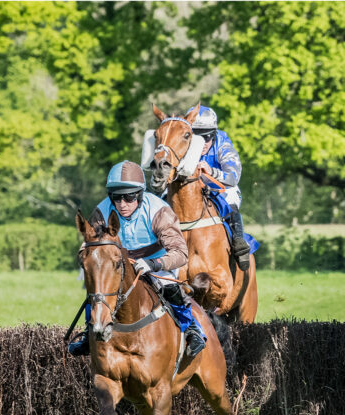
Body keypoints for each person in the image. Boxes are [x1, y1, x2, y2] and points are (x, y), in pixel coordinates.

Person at [68, 161, 206, 358]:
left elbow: (180, 253)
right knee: (99, 289)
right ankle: (89, 333)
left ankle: (192, 329)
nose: (122, 204)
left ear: (140, 195)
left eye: (129, 197)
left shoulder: (158, 210)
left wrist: (153, 264)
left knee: (168, 287)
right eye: (117, 197)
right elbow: (92, 244)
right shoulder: (102, 211)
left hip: (157, 262)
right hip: (119, 264)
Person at [191, 105, 252, 271]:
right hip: (191, 189)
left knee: (230, 197)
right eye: (197, 138)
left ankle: (238, 242)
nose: (203, 143)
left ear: (214, 133)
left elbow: (233, 177)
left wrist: (211, 172)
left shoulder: (223, 145)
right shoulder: (183, 144)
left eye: (207, 137)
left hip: (220, 188)